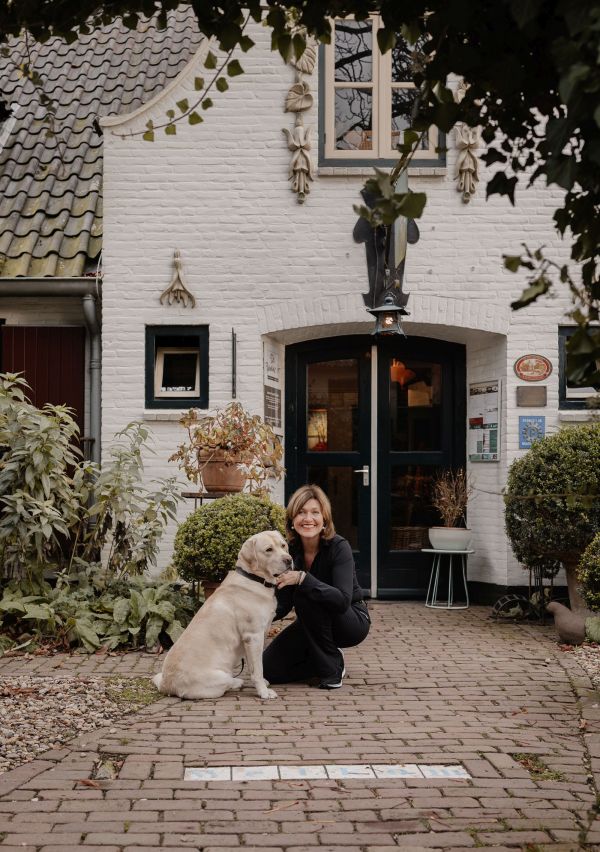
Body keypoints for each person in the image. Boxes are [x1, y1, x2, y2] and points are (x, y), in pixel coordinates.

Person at [262, 484, 371, 690]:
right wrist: (254, 616)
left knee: (306, 593)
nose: (308, 519)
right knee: (268, 670)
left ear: (324, 520)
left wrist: (304, 578)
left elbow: (341, 601)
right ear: (292, 520)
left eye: (315, 512)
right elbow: (283, 604)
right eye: (301, 513)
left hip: (350, 620)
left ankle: (331, 670)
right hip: (311, 623)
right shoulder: (290, 551)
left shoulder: (339, 547)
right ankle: (322, 660)